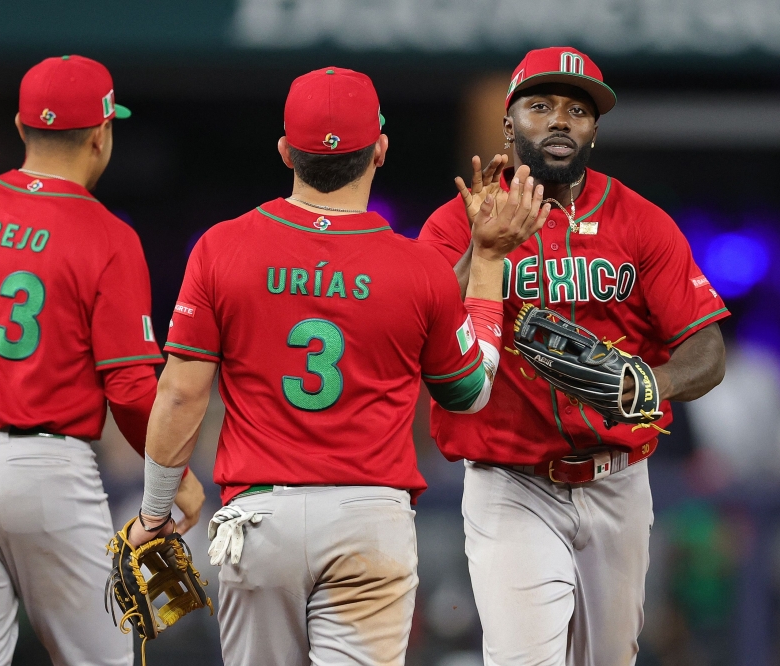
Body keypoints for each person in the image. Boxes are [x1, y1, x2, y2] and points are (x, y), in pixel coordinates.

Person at [124, 67, 550, 666]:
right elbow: (471, 392)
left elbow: (179, 396)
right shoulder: (420, 267)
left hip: (259, 516)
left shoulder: (222, 247)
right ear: (379, 149)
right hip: (368, 518)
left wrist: (154, 510)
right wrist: (485, 263)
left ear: (284, 152)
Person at [418, 46, 729, 665]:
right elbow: (413, 325)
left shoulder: (642, 223)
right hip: (510, 483)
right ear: (508, 124)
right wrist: (481, 253)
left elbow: (708, 349)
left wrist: (652, 383)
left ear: (594, 129)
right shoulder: (458, 222)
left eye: (578, 110)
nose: (561, 120)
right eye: (541, 106)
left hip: (617, 481)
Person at [0, 55, 203, 666]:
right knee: (106, 659)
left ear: (19, 125)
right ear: (101, 133)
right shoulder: (106, 234)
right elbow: (132, 389)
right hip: (40, 466)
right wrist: (174, 479)